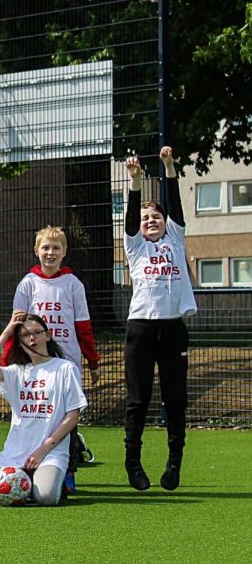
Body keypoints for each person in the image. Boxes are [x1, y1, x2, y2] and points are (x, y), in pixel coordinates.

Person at [122, 147, 196, 491]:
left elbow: (176, 205)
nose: (151, 221)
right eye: (146, 218)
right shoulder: (135, 246)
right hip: (141, 327)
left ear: (166, 223)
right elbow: (131, 215)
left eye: (156, 217)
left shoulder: (175, 241)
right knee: (138, 399)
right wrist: (135, 180)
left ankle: (174, 463)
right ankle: (133, 463)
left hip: (173, 328)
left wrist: (168, 167)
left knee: (175, 397)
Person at [8, 225, 99, 492]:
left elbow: (83, 325)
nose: (50, 253)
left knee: (67, 417)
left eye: (56, 248)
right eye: (45, 248)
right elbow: (16, 326)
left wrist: (92, 361)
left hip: (67, 362)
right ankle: (29, 464)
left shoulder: (73, 284)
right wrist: (8, 360)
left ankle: (67, 470)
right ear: (36, 251)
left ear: (64, 252)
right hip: (35, 363)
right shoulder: (27, 284)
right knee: (36, 413)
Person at [0, 311, 87, 506]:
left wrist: (42, 450)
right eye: (25, 335)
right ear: (20, 342)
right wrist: (7, 331)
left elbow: (73, 416)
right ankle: (27, 480)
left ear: (47, 335)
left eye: (37, 332)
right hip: (14, 452)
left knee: (46, 497)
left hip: (50, 453)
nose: (32, 338)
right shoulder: (16, 371)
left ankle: (50, 481)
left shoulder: (65, 368)